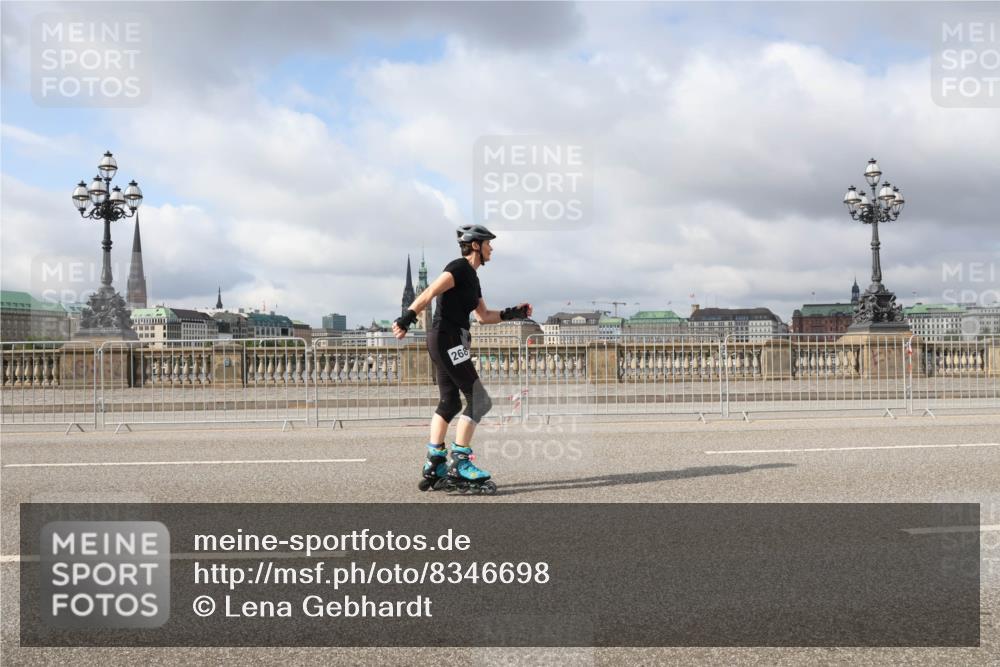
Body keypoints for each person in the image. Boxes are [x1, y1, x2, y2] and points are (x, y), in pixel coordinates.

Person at [393, 224, 532, 495]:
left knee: (450, 401)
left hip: (449, 338)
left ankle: (435, 463)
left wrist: (513, 313)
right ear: (476, 246)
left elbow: (483, 317)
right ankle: (460, 462)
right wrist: (407, 317)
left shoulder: (474, 278)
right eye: (488, 243)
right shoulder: (457, 268)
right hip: (447, 338)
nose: (492, 248)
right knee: (479, 400)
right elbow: (430, 291)